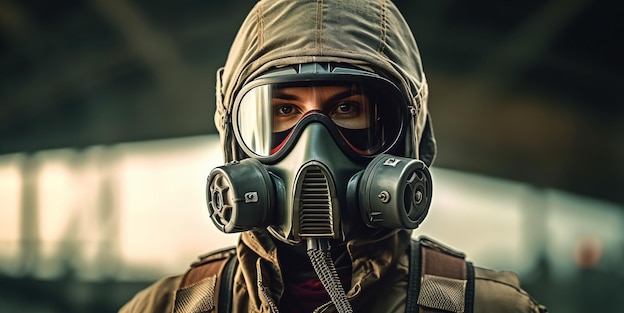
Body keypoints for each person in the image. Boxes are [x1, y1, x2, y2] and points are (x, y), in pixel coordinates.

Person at [119, 0, 547, 312]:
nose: (313, 150)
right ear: (234, 140)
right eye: (284, 111)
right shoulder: (166, 307)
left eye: (348, 108)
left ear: (407, 138)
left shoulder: (488, 307)